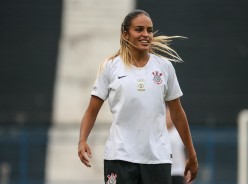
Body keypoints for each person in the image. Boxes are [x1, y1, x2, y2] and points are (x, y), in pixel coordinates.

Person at [78, 9, 198, 184]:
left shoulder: (165, 67)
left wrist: (192, 154)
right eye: (139, 29)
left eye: (149, 30)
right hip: (120, 157)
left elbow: (178, 114)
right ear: (126, 34)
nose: (146, 35)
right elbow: (91, 111)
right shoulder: (110, 67)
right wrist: (82, 140)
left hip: (157, 159)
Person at [166, 106, 191, 184]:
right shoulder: (161, 133)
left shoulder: (179, 132)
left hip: (178, 171)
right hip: (165, 171)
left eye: (170, 115)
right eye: (166, 116)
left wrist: (187, 171)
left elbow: (182, 152)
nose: (168, 118)